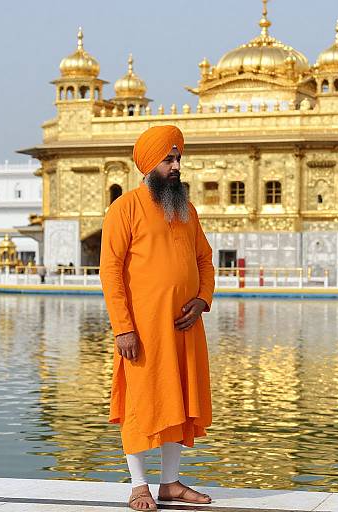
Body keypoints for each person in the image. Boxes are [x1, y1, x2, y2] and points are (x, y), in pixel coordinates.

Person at [100, 125, 215, 511]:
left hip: (184, 328)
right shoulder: (125, 209)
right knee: (142, 402)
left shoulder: (186, 210)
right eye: (168, 159)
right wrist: (124, 328)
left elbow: (204, 260)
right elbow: (111, 272)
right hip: (143, 331)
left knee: (177, 401)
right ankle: (138, 486)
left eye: (178, 158)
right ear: (149, 165)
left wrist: (202, 299)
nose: (177, 165)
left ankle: (170, 483)